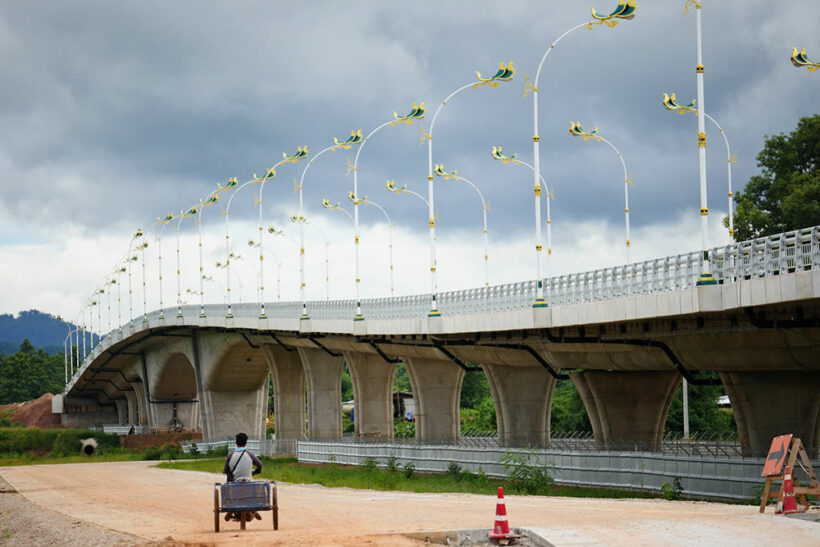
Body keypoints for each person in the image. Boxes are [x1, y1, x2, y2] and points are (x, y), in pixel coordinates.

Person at [222, 432, 263, 522]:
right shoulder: (250, 454)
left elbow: (226, 471)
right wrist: (257, 471)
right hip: (249, 483)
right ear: (246, 443)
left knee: (228, 482)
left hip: (235, 485)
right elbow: (260, 465)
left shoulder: (230, 455)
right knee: (253, 486)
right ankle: (255, 510)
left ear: (236, 442)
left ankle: (230, 507)